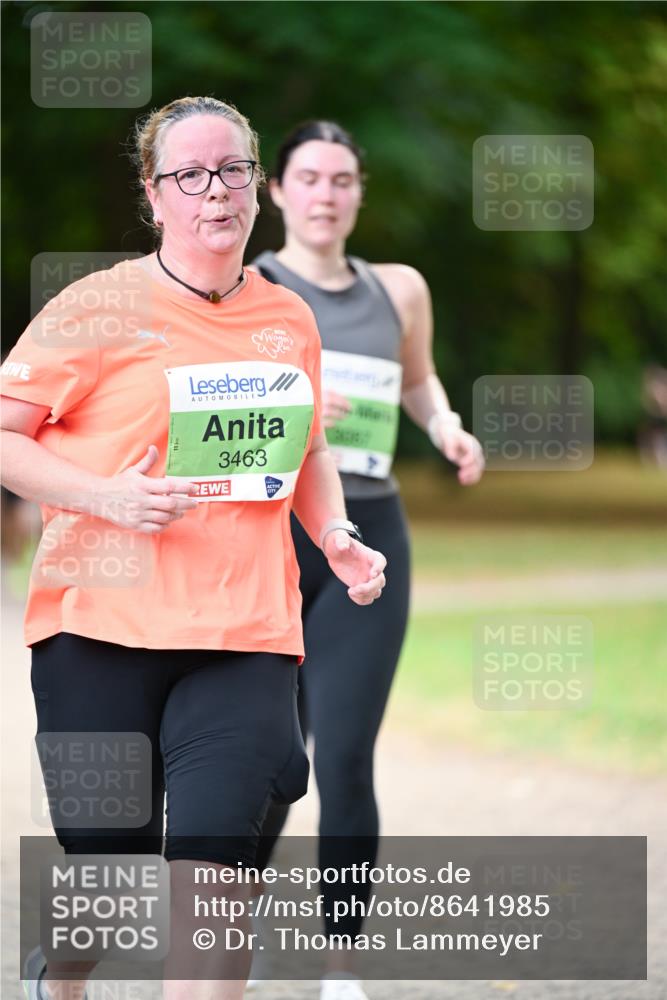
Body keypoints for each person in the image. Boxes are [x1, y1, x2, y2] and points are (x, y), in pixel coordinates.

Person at [1, 97, 386, 1000]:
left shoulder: (287, 318)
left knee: (218, 859)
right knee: (109, 863)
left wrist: (332, 533)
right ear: (154, 193)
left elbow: (307, 450)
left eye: (234, 169)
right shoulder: (95, 306)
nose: (216, 190)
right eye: (190, 174)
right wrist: (105, 495)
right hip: (98, 625)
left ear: (256, 184)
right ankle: (62, 976)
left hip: (244, 630)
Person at [251, 120, 485, 1000]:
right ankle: (232, 924)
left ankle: (340, 964)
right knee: (269, 758)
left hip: (368, 539)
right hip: (271, 537)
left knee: (344, 756)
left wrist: (446, 426)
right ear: (275, 190)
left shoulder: (400, 288)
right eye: (307, 177)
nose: (324, 193)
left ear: (358, 191)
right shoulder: (247, 287)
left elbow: (417, 377)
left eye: (342, 179)